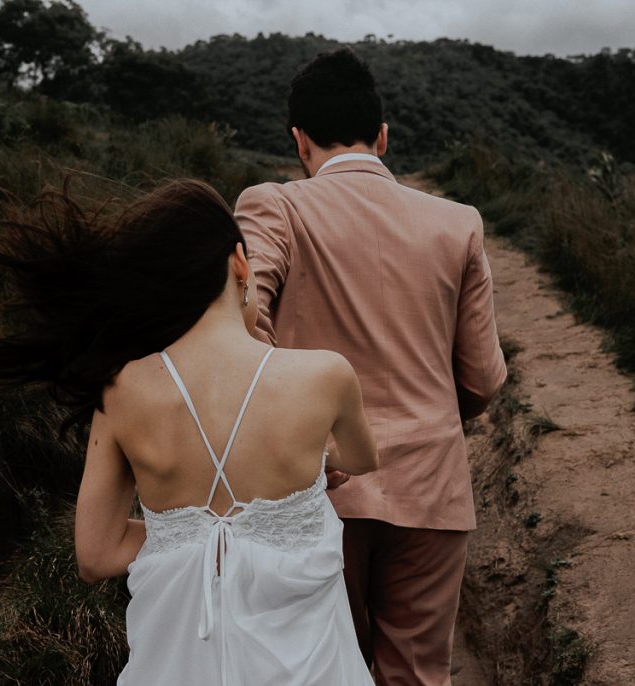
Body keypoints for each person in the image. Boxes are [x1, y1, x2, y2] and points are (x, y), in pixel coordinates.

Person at [0, 179, 379, 685]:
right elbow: (362, 460)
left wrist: (181, 533)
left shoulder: (120, 391)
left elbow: (96, 556)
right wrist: (317, 460)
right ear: (240, 263)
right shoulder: (324, 375)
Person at [234, 48, 508, 685]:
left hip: (315, 491)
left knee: (319, 669)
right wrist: (434, 415)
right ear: (383, 136)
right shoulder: (458, 222)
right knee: (416, 675)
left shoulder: (274, 207)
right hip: (433, 488)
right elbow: (484, 379)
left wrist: (305, 430)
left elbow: (244, 322)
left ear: (299, 141)